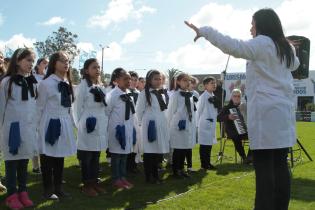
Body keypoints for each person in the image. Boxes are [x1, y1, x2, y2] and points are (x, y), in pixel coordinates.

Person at [185, 8, 300, 210]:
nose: (250, 28)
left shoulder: (262, 43)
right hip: (283, 115)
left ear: (262, 25)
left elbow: (233, 46)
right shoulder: (286, 48)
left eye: (253, 24)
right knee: (281, 165)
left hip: (266, 114)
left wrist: (205, 31)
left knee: (264, 168)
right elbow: (296, 63)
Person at [37, 51, 76, 200]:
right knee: (47, 157)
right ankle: (48, 190)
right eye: (62, 60)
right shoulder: (46, 84)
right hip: (49, 122)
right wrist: (39, 128)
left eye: (68, 61)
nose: (66, 63)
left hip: (63, 121)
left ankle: (58, 188)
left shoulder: (66, 83)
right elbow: (39, 107)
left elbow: (68, 106)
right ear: (54, 63)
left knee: (60, 157)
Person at [0, 48, 37, 209]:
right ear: (17, 61)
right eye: (28, 60)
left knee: (23, 162)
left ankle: (23, 191)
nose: (31, 64)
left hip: (27, 129)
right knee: (11, 163)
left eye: (32, 61)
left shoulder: (31, 83)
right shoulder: (6, 82)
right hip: (12, 128)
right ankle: (12, 195)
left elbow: (33, 107)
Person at [73, 58, 108, 197]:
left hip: (99, 124)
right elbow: (76, 109)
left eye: (98, 67)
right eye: (94, 67)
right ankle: (87, 185)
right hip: (87, 125)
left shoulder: (100, 86)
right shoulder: (82, 86)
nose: (97, 70)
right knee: (87, 157)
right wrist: (81, 125)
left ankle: (94, 183)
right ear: (86, 70)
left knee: (95, 155)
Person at [136, 70, 170, 184]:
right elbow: (139, 111)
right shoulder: (144, 94)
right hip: (150, 125)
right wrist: (143, 125)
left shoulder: (160, 93)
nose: (158, 81)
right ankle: (149, 177)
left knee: (157, 152)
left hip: (160, 124)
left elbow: (164, 110)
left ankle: (156, 176)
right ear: (150, 80)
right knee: (150, 152)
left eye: (160, 79)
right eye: (155, 79)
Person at [106, 68, 135, 190]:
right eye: (125, 79)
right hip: (116, 129)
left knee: (124, 155)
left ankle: (123, 177)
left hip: (127, 128)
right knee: (116, 156)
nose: (128, 81)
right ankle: (115, 178)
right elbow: (106, 112)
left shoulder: (129, 95)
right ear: (117, 80)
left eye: (129, 78)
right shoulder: (113, 94)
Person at [168, 73, 196, 178]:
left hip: (187, 125)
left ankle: (182, 169)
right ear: (178, 82)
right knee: (178, 149)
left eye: (189, 80)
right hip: (178, 126)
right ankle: (176, 171)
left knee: (184, 148)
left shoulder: (189, 95)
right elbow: (170, 112)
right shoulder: (175, 95)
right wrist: (169, 126)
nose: (187, 82)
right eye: (184, 80)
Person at [217, 89, 252, 164]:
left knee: (255, 137)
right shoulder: (227, 108)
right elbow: (218, 118)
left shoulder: (245, 106)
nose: (236, 98)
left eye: (238, 96)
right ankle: (244, 157)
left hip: (245, 131)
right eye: (235, 96)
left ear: (241, 97)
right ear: (231, 97)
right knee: (236, 137)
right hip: (232, 132)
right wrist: (228, 117)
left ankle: (250, 157)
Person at [196, 76, 218, 170]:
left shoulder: (213, 96)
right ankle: (203, 164)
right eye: (211, 83)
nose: (214, 84)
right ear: (205, 86)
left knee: (209, 145)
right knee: (204, 145)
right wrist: (197, 126)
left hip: (211, 124)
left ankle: (208, 163)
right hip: (204, 125)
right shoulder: (203, 97)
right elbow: (198, 111)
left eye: (214, 83)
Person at [31, 57, 49, 174]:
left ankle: (45, 165)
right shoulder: (32, 78)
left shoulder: (48, 78)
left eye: (47, 64)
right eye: (44, 63)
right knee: (34, 137)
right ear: (37, 65)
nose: (46, 65)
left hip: (46, 111)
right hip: (34, 109)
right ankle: (35, 166)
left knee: (44, 137)